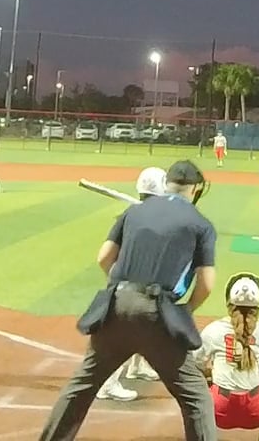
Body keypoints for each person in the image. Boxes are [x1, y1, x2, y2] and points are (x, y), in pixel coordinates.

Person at [37, 159, 219, 441]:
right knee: (196, 397)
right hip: (158, 313)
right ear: (195, 189)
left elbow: (104, 258)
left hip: (115, 307)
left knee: (81, 388)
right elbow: (206, 284)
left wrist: (125, 288)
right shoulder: (201, 224)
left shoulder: (133, 211)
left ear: (167, 183)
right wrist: (185, 310)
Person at [97, 167, 171, 403]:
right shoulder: (149, 218)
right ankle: (107, 384)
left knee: (145, 329)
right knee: (127, 334)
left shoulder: (132, 215)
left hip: (135, 284)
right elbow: (105, 257)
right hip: (132, 287)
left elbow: (105, 258)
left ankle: (137, 366)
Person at [196, 272, 259, 441]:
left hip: (218, 412)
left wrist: (212, 375)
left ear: (228, 302)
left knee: (193, 387)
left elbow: (195, 366)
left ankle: (202, 435)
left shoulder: (213, 330)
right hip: (257, 412)